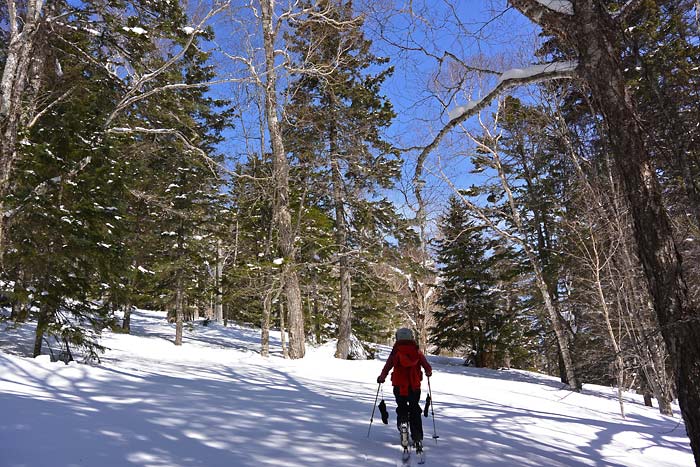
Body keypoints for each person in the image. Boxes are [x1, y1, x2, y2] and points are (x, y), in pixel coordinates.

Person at [377, 327, 432, 451]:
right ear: (410, 337)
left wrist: (382, 377)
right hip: (414, 386)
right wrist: (428, 372)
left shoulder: (396, 351)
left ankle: (402, 423)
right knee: (414, 409)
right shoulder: (417, 351)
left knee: (401, 406)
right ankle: (417, 437)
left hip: (398, 385)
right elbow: (426, 365)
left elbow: (388, 365)